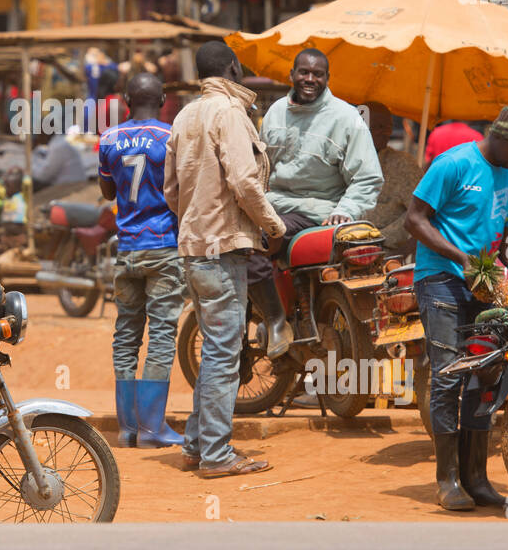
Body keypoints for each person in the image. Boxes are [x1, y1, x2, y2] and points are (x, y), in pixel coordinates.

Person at [404, 95, 508, 512]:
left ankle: (477, 478)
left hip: (486, 289)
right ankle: (447, 480)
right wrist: (461, 260)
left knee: (489, 377)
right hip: (441, 281)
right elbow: (414, 219)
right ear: (500, 136)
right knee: (448, 377)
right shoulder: (453, 164)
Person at [165, 41, 285, 479]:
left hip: (194, 248)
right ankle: (216, 455)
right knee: (222, 352)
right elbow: (244, 181)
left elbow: (171, 193)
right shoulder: (230, 113)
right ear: (233, 68)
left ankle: (197, 446)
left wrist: (197, 223)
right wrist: (273, 226)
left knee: (217, 349)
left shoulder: (183, 116)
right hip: (224, 250)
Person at [251, 48, 383, 359]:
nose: (310, 79)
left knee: (253, 243)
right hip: (273, 205)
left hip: (319, 213)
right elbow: (260, 169)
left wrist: (345, 211)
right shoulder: (274, 113)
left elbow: (367, 178)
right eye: (304, 72)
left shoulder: (346, 117)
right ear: (292, 75)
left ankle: (275, 322)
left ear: (327, 78)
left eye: (318, 74)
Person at [99, 72, 183, 449]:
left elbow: (107, 190)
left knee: (126, 335)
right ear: (163, 99)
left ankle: (127, 428)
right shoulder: (171, 138)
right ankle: (152, 430)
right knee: (162, 334)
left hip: (127, 248)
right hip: (163, 246)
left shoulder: (109, 139)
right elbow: (179, 190)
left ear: (126, 100)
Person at [365, 102, 425, 254]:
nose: (384, 132)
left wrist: (402, 253)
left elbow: (424, 213)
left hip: (385, 251)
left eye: (387, 126)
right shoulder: (343, 160)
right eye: (377, 126)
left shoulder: (402, 164)